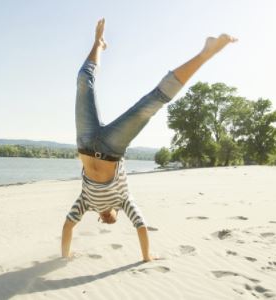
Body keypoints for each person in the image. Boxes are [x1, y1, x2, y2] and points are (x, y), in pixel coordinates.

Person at [61, 18, 237, 262]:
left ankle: (98, 44)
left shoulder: (85, 203)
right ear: (115, 213)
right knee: (152, 102)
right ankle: (205, 54)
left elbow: (68, 227)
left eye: (106, 219)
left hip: (85, 140)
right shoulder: (124, 201)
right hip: (112, 147)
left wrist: (65, 255)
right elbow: (141, 226)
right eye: (113, 219)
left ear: (101, 216)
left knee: (83, 79)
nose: (110, 218)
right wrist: (146, 257)